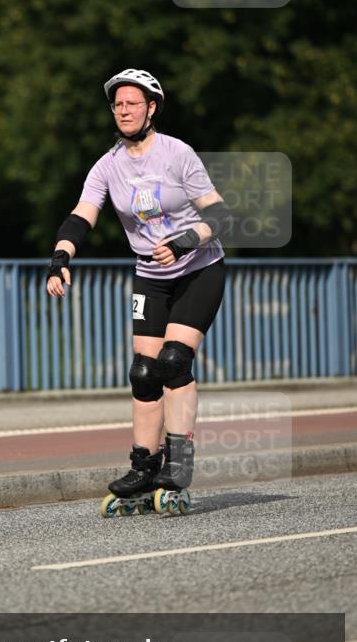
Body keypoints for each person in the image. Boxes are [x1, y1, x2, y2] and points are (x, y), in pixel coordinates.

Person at [46, 68, 231, 514]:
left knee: (174, 361)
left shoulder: (177, 154)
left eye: (132, 103)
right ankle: (144, 467)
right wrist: (60, 259)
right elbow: (81, 215)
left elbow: (221, 215)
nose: (123, 110)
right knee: (144, 372)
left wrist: (184, 242)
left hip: (198, 268)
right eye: (118, 104)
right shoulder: (108, 165)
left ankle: (178, 465)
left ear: (151, 108)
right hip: (150, 274)